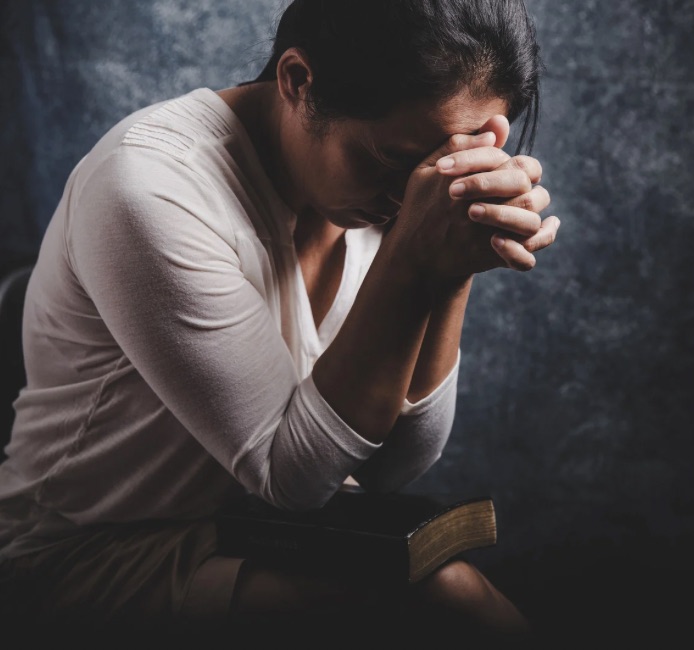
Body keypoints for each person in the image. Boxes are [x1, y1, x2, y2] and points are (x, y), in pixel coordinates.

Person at [0, 0, 558, 645]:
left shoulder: (380, 191)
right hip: (78, 555)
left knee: (453, 588)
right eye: (397, 159)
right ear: (297, 80)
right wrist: (413, 261)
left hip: (256, 532)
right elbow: (291, 477)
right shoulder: (149, 186)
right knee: (442, 600)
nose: (417, 195)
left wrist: (453, 257)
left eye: (445, 168)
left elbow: (394, 466)